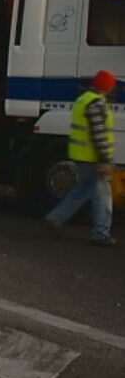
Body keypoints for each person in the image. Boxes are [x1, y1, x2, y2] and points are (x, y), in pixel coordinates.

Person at [45, 70, 118, 247]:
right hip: (93, 158)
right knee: (103, 196)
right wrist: (104, 160)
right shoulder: (96, 104)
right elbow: (99, 134)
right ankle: (100, 234)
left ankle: (55, 218)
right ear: (107, 87)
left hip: (81, 156)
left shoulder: (84, 99)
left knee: (82, 191)